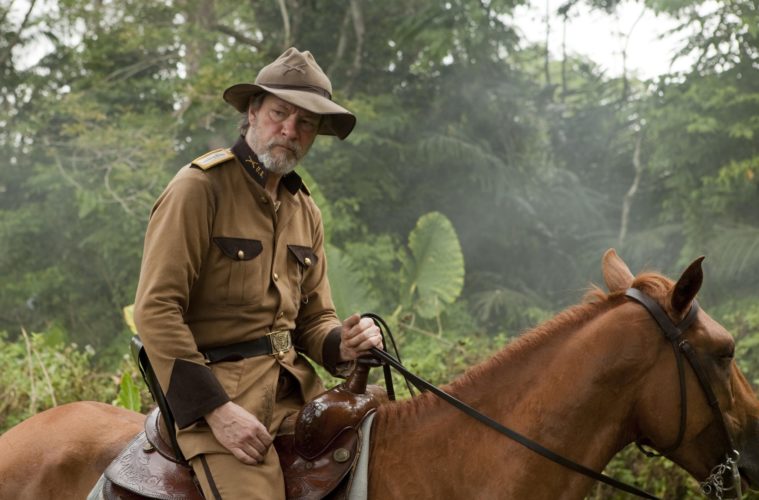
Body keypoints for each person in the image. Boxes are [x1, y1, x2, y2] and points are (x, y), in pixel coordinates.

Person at [133, 47, 383, 500]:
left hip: (296, 393)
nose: (290, 130)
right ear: (252, 112)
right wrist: (216, 411)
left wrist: (343, 344)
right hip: (217, 401)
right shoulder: (198, 188)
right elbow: (156, 310)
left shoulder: (305, 210)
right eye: (279, 113)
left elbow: (314, 320)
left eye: (306, 122)